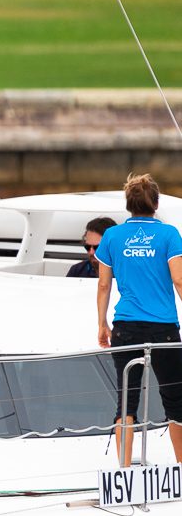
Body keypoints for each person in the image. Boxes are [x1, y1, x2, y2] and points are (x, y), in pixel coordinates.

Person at [95, 174, 182, 467]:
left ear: (128, 205)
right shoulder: (170, 235)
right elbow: (179, 280)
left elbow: (104, 285)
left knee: (127, 400)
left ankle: (125, 470)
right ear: (156, 203)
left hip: (126, 326)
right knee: (176, 400)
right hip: (164, 329)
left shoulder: (112, 237)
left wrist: (102, 324)